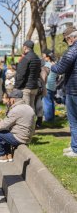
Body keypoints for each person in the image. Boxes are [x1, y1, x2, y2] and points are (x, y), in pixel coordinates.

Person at [50, 26, 77, 158]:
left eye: (66, 40)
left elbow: (60, 68)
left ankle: (75, 149)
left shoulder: (72, 50)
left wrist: (51, 66)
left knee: (74, 120)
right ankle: (74, 145)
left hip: (74, 90)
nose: (67, 42)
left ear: (70, 38)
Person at [0, 89, 35, 162]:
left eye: (10, 99)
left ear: (13, 100)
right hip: (27, 136)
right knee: (4, 133)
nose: (9, 101)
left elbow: (4, 125)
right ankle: (8, 155)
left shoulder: (16, 110)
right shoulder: (29, 108)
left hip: (19, 137)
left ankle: (1, 155)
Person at [14, 40, 41, 112]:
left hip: (26, 88)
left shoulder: (25, 58)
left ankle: (27, 123)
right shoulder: (37, 58)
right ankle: (32, 123)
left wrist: (17, 87)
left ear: (25, 47)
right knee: (31, 108)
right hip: (34, 87)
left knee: (26, 110)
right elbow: (39, 72)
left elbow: (21, 74)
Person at [42, 49, 57, 122]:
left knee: (46, 102)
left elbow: (44, 75)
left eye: (44, 56)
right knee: (51, 102)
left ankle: (48, 118)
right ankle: (52, 117)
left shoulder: (47, 64)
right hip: (53, 85)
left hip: (47, 85)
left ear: (48, 57)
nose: (43, 57)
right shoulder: (55, 63)